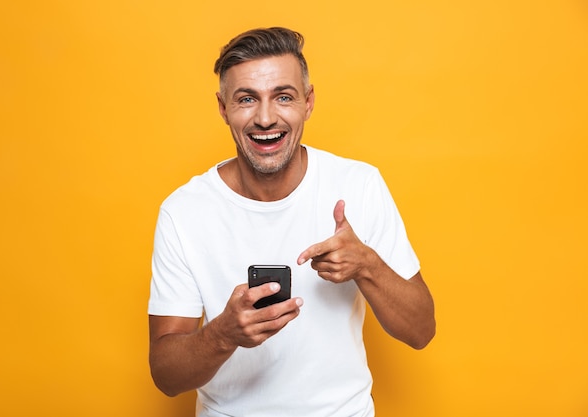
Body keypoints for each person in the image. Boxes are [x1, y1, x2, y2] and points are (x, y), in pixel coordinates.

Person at [148, 27, 435, 417]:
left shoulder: (359, 185)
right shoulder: (183, 212)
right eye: (246, 99)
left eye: (283, 97)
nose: (266, 118)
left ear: (308, 102)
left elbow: (421, 331)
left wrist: (366, 265)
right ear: (223, 108)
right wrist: (223, 334)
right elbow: (166, 376)